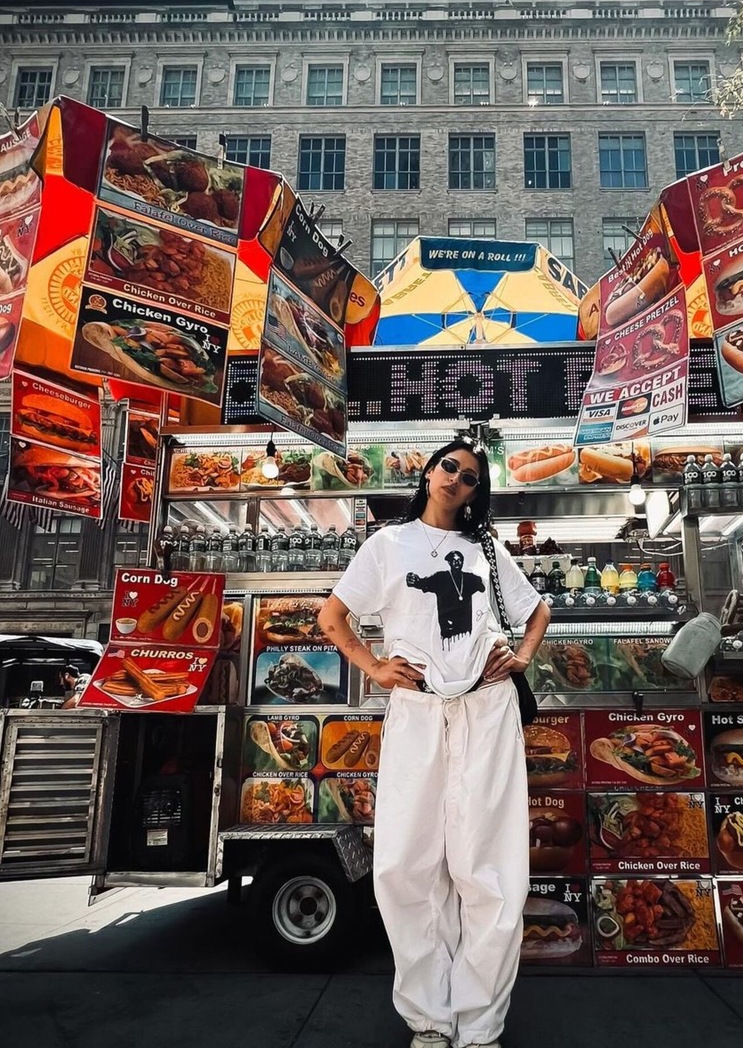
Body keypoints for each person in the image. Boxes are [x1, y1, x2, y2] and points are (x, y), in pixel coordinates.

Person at [318, 438, 549, 1048]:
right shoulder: (387, 545)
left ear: (476, 492)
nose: (455, 479)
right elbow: (331, 617)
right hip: (417, 711)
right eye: (449, 466)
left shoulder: (486, 549)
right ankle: (428, 1017)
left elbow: (537, 612)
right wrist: (373, 666)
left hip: (487, 710)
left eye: (470, 476)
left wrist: (522, 657)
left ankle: (480, 1026)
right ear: (427, 471)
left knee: (488, 869)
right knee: (405, 866)